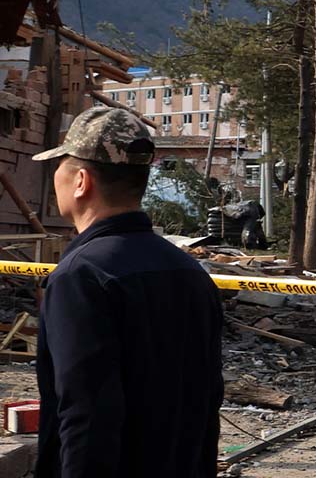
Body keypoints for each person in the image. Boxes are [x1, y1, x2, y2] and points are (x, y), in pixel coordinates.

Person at [32, 107, 224, 477]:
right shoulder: (188, 271)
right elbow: (206, 399)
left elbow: (86, 414)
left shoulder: (80, 276)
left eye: (59, 166)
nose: (54, 176)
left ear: (81, 181)